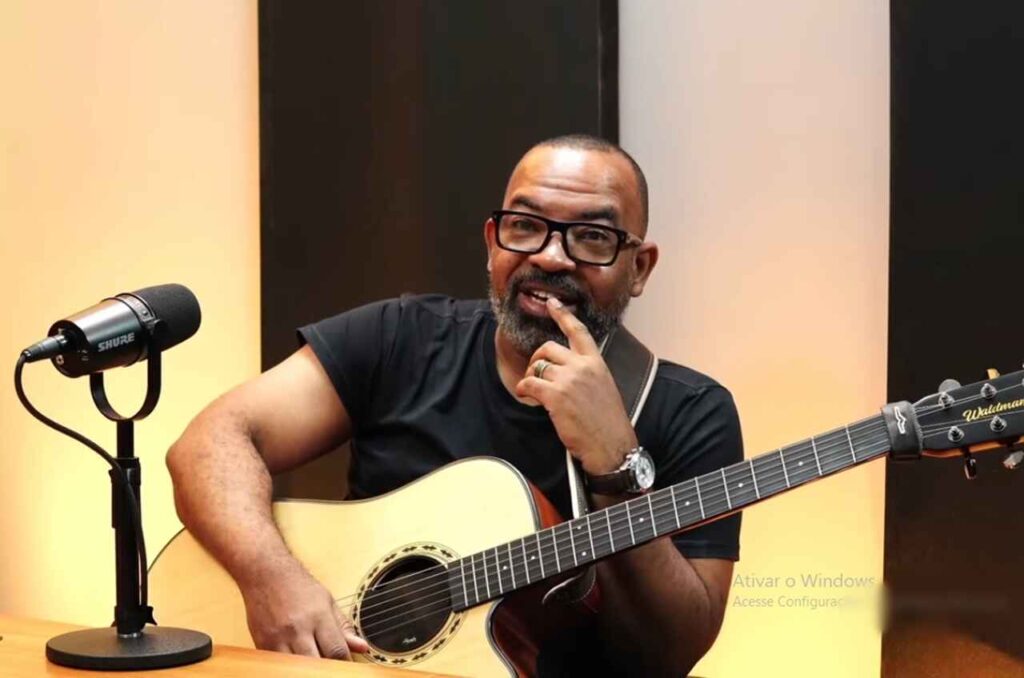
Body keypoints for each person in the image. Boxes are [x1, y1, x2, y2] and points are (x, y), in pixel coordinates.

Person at [166, 134, 743, 675]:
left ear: (638, 268)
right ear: (493, 242)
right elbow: (209, 443)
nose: (550, 257)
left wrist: (615, 463)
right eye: (525, 226)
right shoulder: (401, 337)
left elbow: (674, 650)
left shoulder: (693, 412)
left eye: (592, 237)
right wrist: (273, 581)